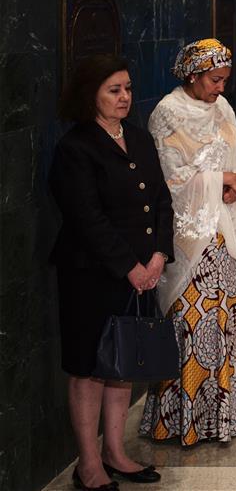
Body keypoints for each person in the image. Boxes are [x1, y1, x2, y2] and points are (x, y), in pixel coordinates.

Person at [50, 54, 171, 489]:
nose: (125, 97)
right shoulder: (75, 148)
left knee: (121, 364)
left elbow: (160, 200)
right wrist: (130, 267)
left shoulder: (138, 138)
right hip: (91, 274)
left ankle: (115, 452)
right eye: (113, 90)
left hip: (142, 270)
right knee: (90, 366)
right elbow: (87, 218)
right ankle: (88, 465)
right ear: (91, 95)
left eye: (127, 88)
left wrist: (158, 255)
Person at [139, 39, 236, 445]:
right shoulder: (167, 114)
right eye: (214, 80)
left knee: (223, 321)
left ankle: (227, 415)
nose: (220, 88)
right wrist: (218, 182)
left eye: (225, 80)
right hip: (190, 238)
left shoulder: (223, 108)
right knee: (192, 325)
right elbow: (169, 181)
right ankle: (183, 419)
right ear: (192, 75)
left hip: (222, 232)